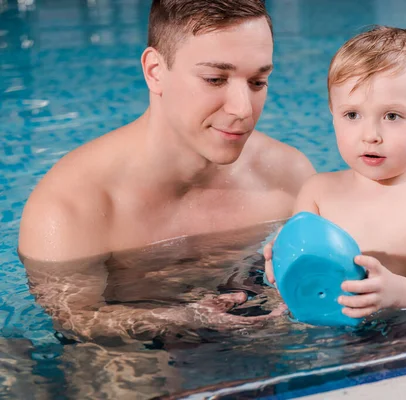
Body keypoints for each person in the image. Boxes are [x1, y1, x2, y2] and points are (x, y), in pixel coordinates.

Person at [18, 0, 315, 342]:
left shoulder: (287, 176)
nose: (243, 109)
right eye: (215, 79)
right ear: (155, 71)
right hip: (133, 357)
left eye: (257, 82)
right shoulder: (71, 206)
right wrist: (181, 317)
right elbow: (75, 319)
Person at [265, 26, 406, 319]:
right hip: (325, 321)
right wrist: (280, 261)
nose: (370, 135)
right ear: (332, 115)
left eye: (392, 116)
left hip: (405, 326)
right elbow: (299, 269)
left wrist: (398, 294)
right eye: (352, 115)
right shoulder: (318, 192)